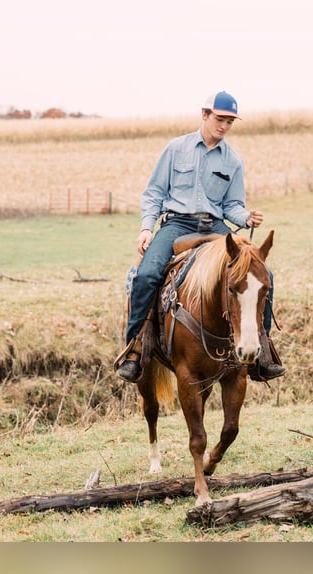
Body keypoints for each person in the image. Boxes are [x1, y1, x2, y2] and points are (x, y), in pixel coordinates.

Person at [116, 91, 286, 383]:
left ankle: (263, 350)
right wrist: (147, 227)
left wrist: (245, 217)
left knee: (263, 274)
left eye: (230, 122)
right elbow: (154, 193)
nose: (224, 126)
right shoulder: (175, 149)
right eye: (220, 119)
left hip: (215, 228)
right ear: (205, 115)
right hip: (176, 224)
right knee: (146, 275)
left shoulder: (232, 160)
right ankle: (135, 348)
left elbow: (231, 204)